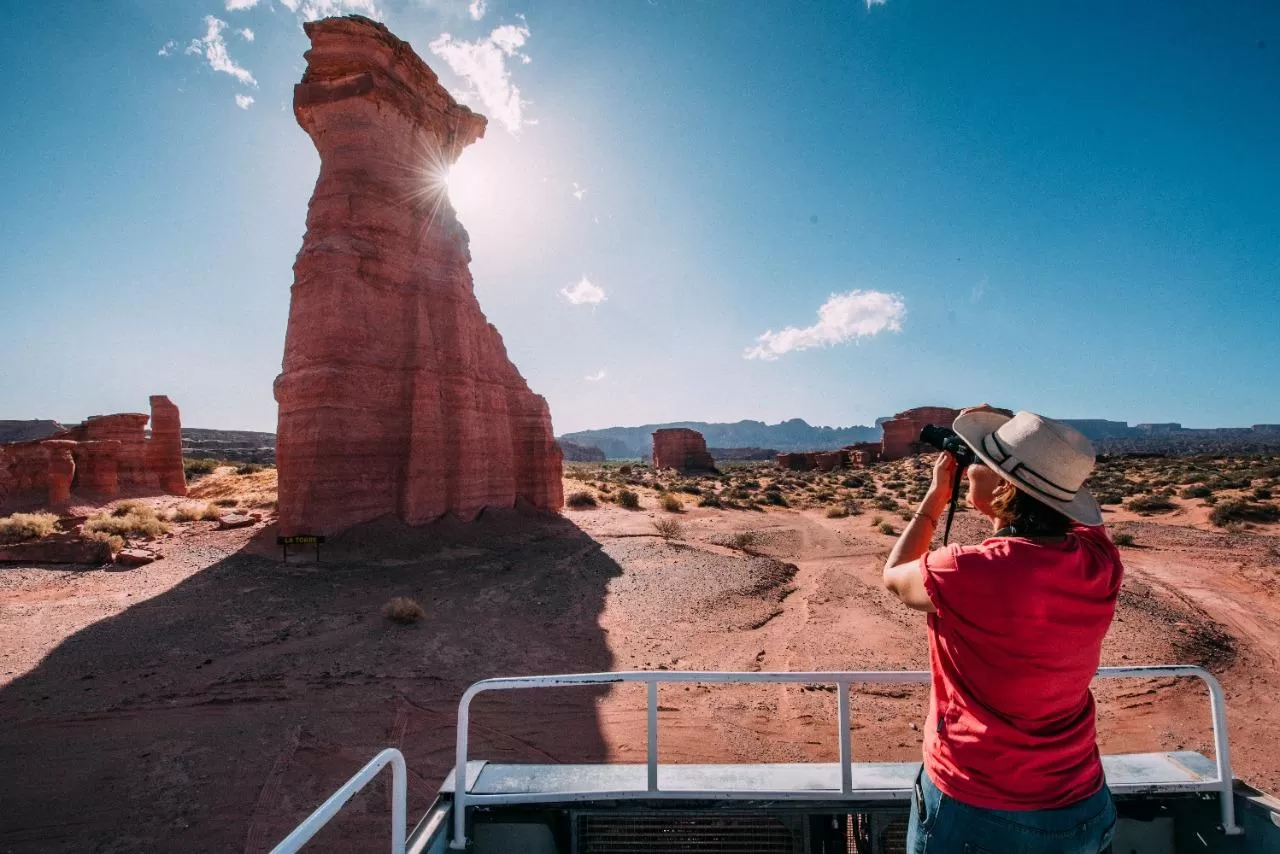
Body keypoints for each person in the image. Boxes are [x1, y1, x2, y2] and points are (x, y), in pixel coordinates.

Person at [882, 405, 1124, 854]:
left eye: (979, 460)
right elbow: (1074, 509)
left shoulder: (965, 571)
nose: (970, 464)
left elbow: (895, 575)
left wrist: (936, 497)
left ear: (1005, 486)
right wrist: (1025, 445)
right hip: (1083, 803)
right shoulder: (1099, 561)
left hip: (978, 808)